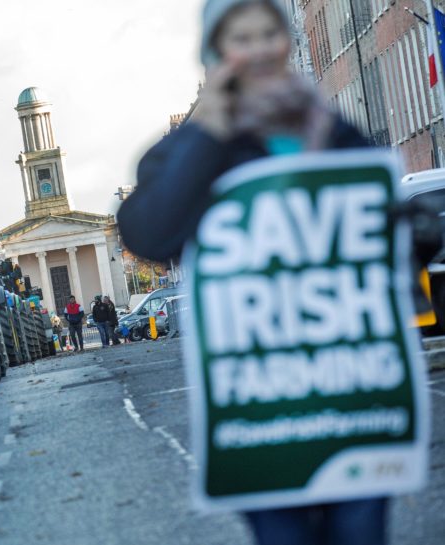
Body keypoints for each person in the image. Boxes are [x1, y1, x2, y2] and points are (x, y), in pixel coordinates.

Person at [116, 1, 385, 544]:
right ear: (217, 52)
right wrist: (209, 130)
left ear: (285, 43)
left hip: (347, 384)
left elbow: (380, 228)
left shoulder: (331, 130)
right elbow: (150, 233)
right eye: (242, 37)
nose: (260, 48)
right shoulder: (184, 149)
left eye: (269, 33)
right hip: (258, 401)